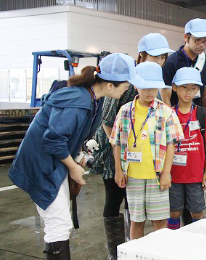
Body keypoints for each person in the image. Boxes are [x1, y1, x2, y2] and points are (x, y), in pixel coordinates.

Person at [8, 53, 140, 260]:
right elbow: (52, 139)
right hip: (41, 165)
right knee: (58, 224)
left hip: (52, 162)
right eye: (126, 84)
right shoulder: (80, 101)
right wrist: (73, 167)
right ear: (110, 85)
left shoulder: (90, 98)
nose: (129, 88)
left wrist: (77, 158)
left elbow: (70, 136)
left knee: (59, 224)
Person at [90, 33, 173, 259]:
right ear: (142, 54)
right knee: (114, 200)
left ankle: (136, 250)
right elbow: (107, 121)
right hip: (114, 149)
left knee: (134, 207)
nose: (159, 62)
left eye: (163, 58)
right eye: (155, 57)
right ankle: (116, 252)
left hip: (141, 156)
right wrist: (121, 156)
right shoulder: (126, 79)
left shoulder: (153, 86)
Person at [110, 61, 184, 240]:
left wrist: (166, 172)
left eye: (154, 87)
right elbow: (117, 142)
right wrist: (119, 170)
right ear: (135, 85)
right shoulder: (125, 111)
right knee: (136, 221)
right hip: (133, 175)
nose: (150, 91)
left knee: (159, 222)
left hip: (156, 176)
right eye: (145, 87)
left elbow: (171, 144)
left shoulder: (166, 112)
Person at [167, 67, 206, 230]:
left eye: (193, 88)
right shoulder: (168, 115)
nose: (188, 92)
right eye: (184, 87)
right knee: (173, 212)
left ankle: (198, 244)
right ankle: (173, 245)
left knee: (197, 213)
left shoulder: (203, 114)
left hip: (195, 176)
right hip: (173, 175)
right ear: (174, 87)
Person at [161, 18, 206, 107]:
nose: (201, 45)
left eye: (205, 41)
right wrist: (170, 118)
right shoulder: (171, 62)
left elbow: (205, 93)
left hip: (197, 116)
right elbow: (165, 97)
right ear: (186, 37)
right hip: (176, 115)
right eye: (197, 40)